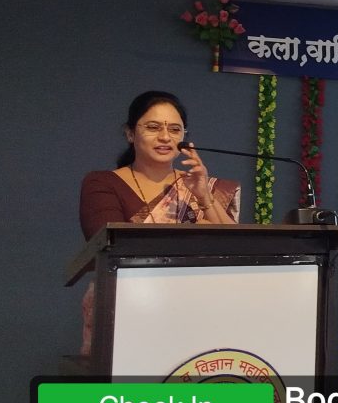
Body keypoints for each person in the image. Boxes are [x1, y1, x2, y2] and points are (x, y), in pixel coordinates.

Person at [77, 90, 240, 354]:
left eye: (175, 130)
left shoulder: (204, 187)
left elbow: (237, 249)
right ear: (130, 134)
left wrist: (204, 197)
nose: (165, 137)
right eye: (153, 127)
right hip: (128, 311)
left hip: (197, 315)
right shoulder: (103, 183)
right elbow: (110, 247)